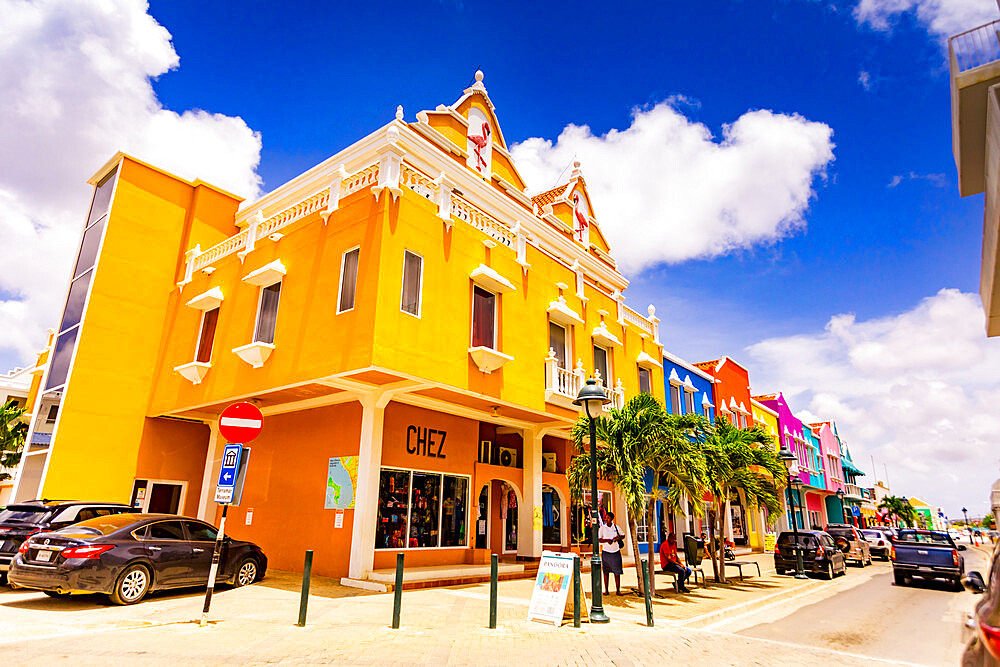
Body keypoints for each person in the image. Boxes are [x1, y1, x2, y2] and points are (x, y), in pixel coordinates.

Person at [598, 512, 625, 595]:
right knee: (606, 572)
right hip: (606, 552)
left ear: (612, 518)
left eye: (608, 517)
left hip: (615, 551)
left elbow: (623, 535)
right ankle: (606, 590)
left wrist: (617, 538)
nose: (606, 519)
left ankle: (618, 590)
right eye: (606, 517)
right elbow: (599, 539)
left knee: (617, 572)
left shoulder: (616, 527)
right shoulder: (602, 528)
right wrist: (607, 540)